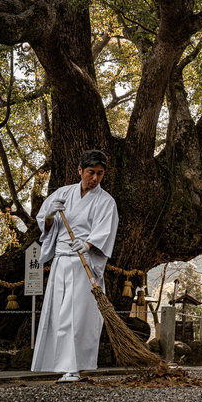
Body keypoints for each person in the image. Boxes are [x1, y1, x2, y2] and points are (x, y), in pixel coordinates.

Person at [31, 150, 119, 382]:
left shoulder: (106, 201)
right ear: (80, 170)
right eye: (91, 172)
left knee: (77, 316)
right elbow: (46, 225)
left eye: (100, 174)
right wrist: (49, 215)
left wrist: (88, 244)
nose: (95, 178)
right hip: (61, 261)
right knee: (58, 314)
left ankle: (74, 366)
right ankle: (54, 363)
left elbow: (105, 231)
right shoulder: (62, 193)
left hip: (84, 263)